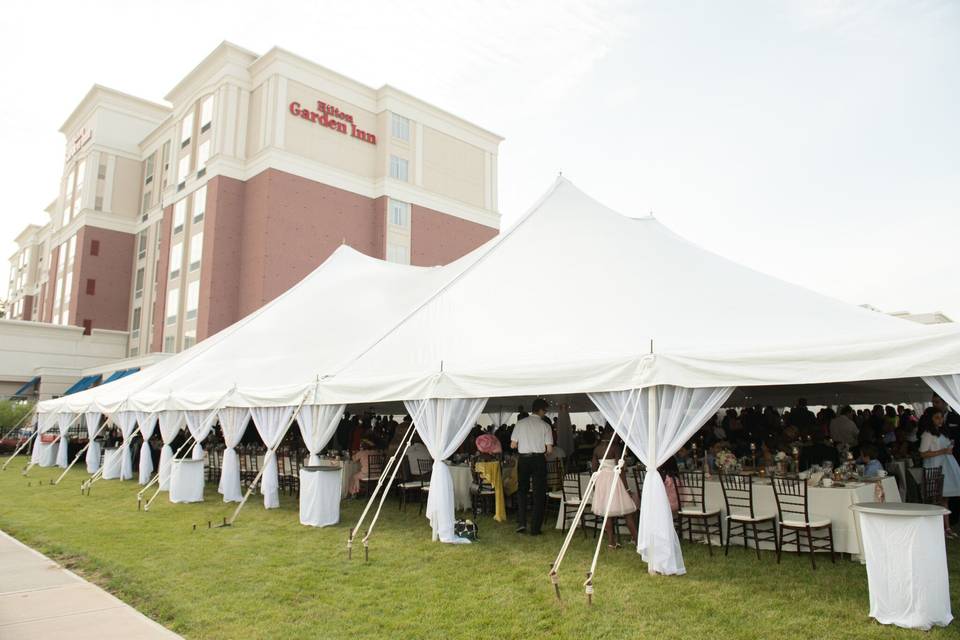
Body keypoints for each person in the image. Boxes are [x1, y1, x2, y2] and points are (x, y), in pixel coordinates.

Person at [510, 398, 553, 535]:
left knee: (522, 490)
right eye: (545, 411)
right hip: (539, 459)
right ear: (540, 410)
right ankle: (535, 528)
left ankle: (521, 523)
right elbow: (550, 449)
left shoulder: (520, 423)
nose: (545, 413)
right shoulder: (545, 426)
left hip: (524, 459)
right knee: (539, 493)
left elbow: (513, 445)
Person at [590, 431, 638, 549]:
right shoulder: (615, 447)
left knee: (607, 513)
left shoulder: (597, 449)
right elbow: (620, 469)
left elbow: (594, 469)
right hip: (614, 480)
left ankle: (611, 542)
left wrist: (596, 486)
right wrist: (626, 488)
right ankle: (637, 540)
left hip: (602, 481)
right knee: (628, 512)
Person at [919, 408, 960, 538]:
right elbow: (923, 453)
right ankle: (937, 528)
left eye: (941, 417)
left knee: (944, 499)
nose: (940, 420)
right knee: (936, 498)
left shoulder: (942, 432)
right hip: (935, 467)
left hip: (946, 466)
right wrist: (942, 451)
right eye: (937, 417)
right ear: (930, 419)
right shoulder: (927, 434)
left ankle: (946, 527)